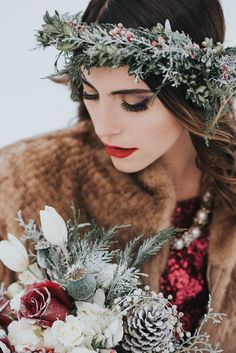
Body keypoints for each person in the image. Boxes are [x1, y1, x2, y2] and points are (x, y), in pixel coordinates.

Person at [0, 0, 236, 351]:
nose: (104, 128)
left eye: (134, 101)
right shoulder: (27, 180)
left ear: (194, 93)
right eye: (90, 94)